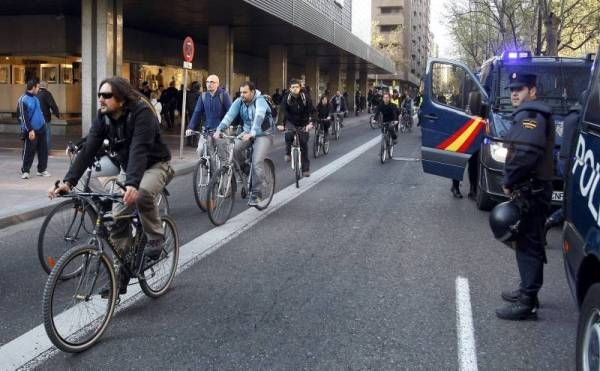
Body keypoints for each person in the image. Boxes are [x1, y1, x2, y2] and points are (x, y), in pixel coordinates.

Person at [49, 76, 174, 297]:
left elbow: (139, 149)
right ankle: (121, 274)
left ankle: (155, 237)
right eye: (99, 95)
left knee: (142, 193)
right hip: (130, 168)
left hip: (155, 164)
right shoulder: (103, 118)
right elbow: (88, 150)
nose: (101, 99)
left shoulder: (141, 114)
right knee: (118, 219)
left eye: (107, 95)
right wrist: (69, 182)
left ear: (122, 99)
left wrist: (132, 184)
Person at [495, 72, 554, 321]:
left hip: (532, 191)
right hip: (533, 189)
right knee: (530, 243)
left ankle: (527, 302)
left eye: (521, 89)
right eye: (512, 89)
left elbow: (526, 154)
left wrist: (509, 180)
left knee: (528, 245)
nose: (514, 93)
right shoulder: (531, 115)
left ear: (533, 91)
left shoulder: (532, 116)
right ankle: (528, 290)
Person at [213, 81, 274, 206]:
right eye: (241, 92)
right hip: (246, 132)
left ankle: (257, 193)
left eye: (245, 92)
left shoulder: (260, 100)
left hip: (263, 134)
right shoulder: (239, 101)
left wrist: (253, 132)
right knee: (233, 149)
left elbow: (259, 116)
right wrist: (220, 129)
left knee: (257, 161)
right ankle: (244, 168)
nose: (242, 95)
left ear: (252, 92)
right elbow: (229, 115)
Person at [545, 90, 586, 230]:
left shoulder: (571, 116)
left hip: (565, 161)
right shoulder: (578, 119)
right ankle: (549, 223)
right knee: (570, 204)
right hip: (570, 163)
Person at [186, 74, 232, 153]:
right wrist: (190, 127)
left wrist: (226, 125)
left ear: (217, 84)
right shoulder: (203, 96)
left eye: (212, 82)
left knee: (223, 155)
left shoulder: (223, 95)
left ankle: (223, 164)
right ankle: (207, 165)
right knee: (201, 151)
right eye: (207, 82)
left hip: (221, 130)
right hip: (206, 130)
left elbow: (230, 112)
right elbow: (197, 112)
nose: (209, 84)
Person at [277, 78, 315, 177]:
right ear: (290, 88)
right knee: (289, 133)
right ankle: (288, 153)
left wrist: (311, 123)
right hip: (291, 121)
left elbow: (313, 111)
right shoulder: (287, 97)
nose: (295, 89)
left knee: (304, 144)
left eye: (297, 87)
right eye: (293, 87)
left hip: (303, 122)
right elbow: (282, 111)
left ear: (300, 88)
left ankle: (305, 169)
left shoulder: (305, 97)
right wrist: (280, 123)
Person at [18, 78, 49, 179]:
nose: (39, 89)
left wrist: (43, 122)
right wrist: (29, 129)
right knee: (29, 150)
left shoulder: (36, 98)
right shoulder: (23, 99)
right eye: (38, 87)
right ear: (33, 87)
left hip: (42, 128)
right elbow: (23, 117)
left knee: (43, 150)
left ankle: (42, 170)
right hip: (31, 130)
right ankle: (25, 171)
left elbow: (39, 112)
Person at [36, 80, 60, 153]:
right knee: (47, 134)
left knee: (38, 134)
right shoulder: (47, 94)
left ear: (40, 86)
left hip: (36, 118)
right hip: (45, 118)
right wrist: (57, 114)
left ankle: (38, 149)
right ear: (46, 86)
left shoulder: (36, 94)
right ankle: (46, 150)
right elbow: (52, 104)